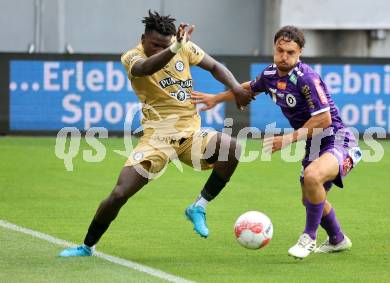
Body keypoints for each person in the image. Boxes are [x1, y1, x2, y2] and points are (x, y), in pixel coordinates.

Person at [59, 10, 253, 257]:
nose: (160, 49)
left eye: (165, 45)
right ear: (143, 38)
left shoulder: (181, 46)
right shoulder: (132, 57)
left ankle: (198, 207)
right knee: (119, 194)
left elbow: (214, 66)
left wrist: (236, 88)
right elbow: (145, 68)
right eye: (155, 45)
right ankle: (87, 246)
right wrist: (173, 48)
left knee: (233, 148)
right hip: (156, 139)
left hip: (190, 134)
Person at [192, 26, 362, 259]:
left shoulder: (306, 78)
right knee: (310, 197)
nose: (284, 56)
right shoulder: (270, 75)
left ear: (300, 52)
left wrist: (288, 139)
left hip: (339, 140)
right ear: (274, 48)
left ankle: (308, 238)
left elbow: (324, 118)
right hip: (313, 144)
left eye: (290, 52)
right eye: (280, 50)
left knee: (312, 177)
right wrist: (217, 98)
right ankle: (337, 239)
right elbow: (247, 89)